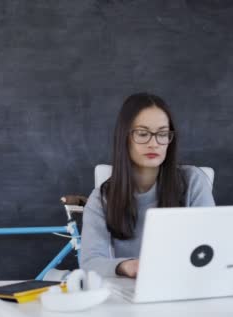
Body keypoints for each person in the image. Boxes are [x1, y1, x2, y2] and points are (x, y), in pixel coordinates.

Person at [80, 92, 215, 278]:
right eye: (143, 134)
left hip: (184, 286)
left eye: (162, 134)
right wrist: (126, 266)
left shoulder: (192, 181)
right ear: (124, 138)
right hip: (129, 293)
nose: (154, 143)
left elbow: (212, 247)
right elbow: (90, 262)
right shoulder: (102, 197)